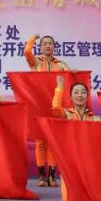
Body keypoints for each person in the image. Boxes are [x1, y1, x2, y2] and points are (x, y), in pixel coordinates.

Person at [23, 33, 70, 187]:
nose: (48, 46)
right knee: (40, 140)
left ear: (54, 47)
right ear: (41, 47)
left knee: (52, 140)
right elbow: (27, 52)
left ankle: (51, 175)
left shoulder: (61, 65)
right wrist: (33, 39)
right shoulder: (36, 62)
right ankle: (42, 176)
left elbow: (69, 81)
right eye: (45, 44)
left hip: (55, 104)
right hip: (39, 104)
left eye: (50, 43)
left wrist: (74, 73)